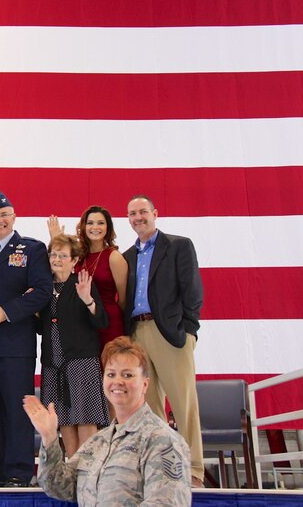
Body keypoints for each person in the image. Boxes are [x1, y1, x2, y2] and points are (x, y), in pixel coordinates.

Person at [23, 336, 191, 506]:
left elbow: (165, 503)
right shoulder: (97, 442)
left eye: (127, 375)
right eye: (111, 374)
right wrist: (49, 438)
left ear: (145, 384)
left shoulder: (162, 441)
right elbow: (58, 486)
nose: (118, 381)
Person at [0, 191, 52, 487]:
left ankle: (18, 471)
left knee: (17, 411)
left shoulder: (32, 249)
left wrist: (8, 310)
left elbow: (42, 291)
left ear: (14, 217)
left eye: (4, 215)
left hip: (16, 344)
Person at [123, 195, 204, 487]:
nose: (138, 217)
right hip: (137, 333)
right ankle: (160, 468)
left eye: (143, 211)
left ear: (155, 213)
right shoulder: (127, 257)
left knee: (183, 403)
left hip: (170, 333)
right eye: (132, 213)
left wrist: (188, 330)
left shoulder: (179, 246)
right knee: (149, 407)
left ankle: (194, 469)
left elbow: (193, 291)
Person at [39, 234, 109, 458]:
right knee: (65, 423)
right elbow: (41, 327)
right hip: (53, 364)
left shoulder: (82, 283)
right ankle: (72, 479)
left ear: (74, 260)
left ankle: (88, 477)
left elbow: (101, 321)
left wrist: (88, 300)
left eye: (62, 255)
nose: (57, 259)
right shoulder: (43, 287)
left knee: (85, 419)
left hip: (81, 362)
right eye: (53, 254)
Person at [48, 205, 128, 350]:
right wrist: (57, 239)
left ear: (108, 228)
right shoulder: (79, 255)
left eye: (101, 223)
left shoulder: (114, 258)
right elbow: (60, 270)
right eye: (90, 223)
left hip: (109, 323)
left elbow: (123, 300)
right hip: (83, 323)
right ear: (84, 226)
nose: (95, 227)